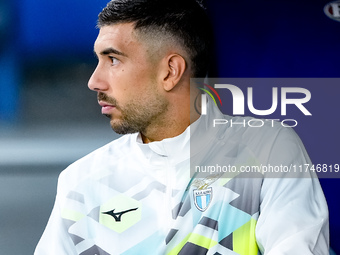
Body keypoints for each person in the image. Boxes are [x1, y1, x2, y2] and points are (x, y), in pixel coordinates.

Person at [35, 0, 329, 254]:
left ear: (171, 71)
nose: (94, 81)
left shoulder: (268, 151)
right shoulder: (80, 182)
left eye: (113, 59)